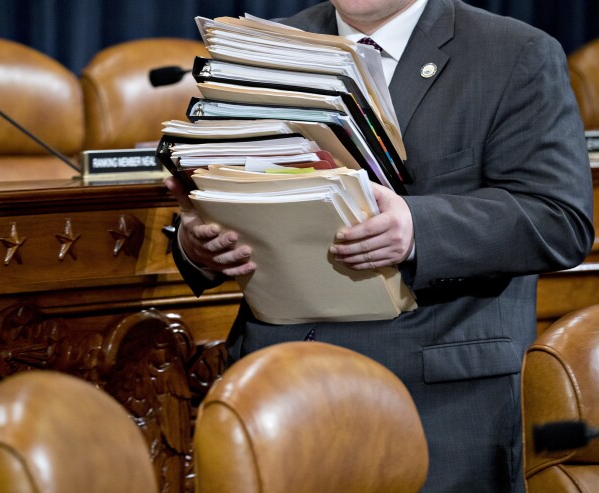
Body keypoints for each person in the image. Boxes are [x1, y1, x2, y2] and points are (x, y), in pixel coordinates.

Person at [165, 0, 595, 491]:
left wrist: (418, 226)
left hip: (442, 401)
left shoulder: (515, 53)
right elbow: (212, 190)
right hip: (278, 391)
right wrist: (195, 243)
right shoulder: (263, 48)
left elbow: (558, 219)